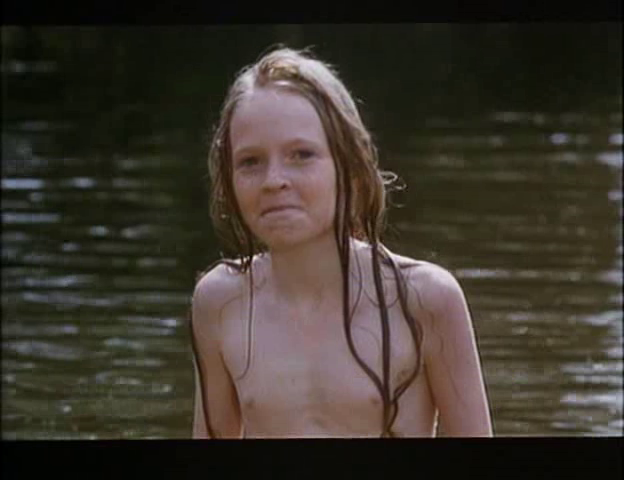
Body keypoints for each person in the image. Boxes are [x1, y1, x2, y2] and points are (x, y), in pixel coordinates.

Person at [189, 46, 493, 438]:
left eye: (302, 155)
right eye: (250, 161)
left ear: (350, 168)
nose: (273, 180)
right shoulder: (218, 302)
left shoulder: (425, 300)